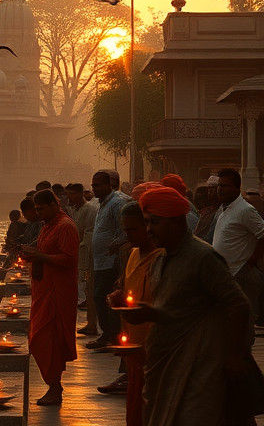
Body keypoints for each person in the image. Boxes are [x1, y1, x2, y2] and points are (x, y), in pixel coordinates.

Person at [124, 186, 264, 426]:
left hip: (199, 367)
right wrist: (149, 313)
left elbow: (238, 305)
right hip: (168, 366)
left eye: (155, 222)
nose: (149, 230)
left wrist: (234, 355)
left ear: (177, 221)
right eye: (146, 223)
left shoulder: (203, 257)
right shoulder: (160, 260)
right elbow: (178, 310)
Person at [98, 202, 165, 419]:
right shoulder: (133, 254)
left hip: (157, 348)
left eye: (133, 229)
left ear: (148, 225)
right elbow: (128, 290)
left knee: (153, 410)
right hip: (135, 347)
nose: (128, 235)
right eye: (125, 230)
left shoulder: (162, 257)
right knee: (135, 409)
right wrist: (117, 296)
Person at [20, 189, 79, 406]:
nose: (38, 213)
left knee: (47, 340)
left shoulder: (65, 226)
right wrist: (31, 253)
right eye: (36, 209)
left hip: (58, 292)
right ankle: (53, 386)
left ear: (54, 205)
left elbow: (69, 260)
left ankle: (55, 388)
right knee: (39, 339)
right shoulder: (48, 225)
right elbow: (44, 252)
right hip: (43, 292)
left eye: (41, 208)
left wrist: (40, 256)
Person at [212, 168, 264, 323]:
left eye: (225, 186)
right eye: (219, 186)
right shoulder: (224, 210)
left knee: (243, 322)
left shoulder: (245, 209)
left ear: (236, 188)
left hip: (241, 274)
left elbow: (262, 234)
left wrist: (251, 260)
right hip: (227, 274)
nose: (220, 190)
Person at [87, 169, 130, 350]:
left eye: (97, 185)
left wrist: (116, 245)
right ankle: (108, 334)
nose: (94, 189)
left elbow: (126, 230)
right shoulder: (103, 203)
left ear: (108, 185)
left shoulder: (117, 202)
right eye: (93, 185)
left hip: (111, 261)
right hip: (100, 261)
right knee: (100, 297)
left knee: (105, 298)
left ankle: (110, 335)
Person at [65, 182, 98, 331]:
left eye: (71, 194)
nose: (69, 197)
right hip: (77, 249)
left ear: (79, 194)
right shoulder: (74, 210)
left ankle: (92, 323)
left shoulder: (90, 209)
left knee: (88, 286)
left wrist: (79, 247)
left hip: (86, 251)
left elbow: (89, 233)